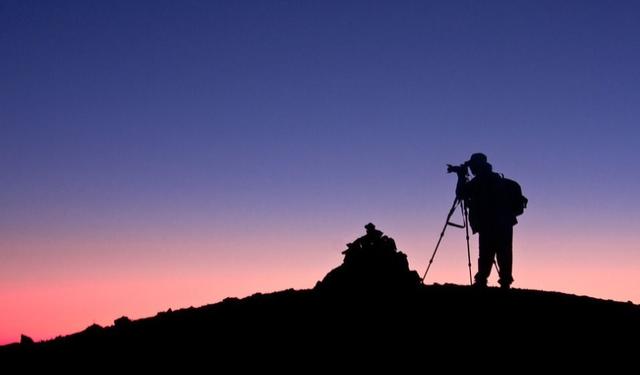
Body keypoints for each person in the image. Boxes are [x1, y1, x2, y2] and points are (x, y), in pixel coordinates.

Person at [455, 153, 517, 289]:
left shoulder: (480, 180)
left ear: (477, 165)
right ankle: (505, 282)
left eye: (472, 166)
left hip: (489, 223)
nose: (471, 169)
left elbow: (461, 193)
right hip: (505, 222)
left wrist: (460, 176)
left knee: (486, 251)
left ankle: (482, 280)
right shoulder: (496, 178)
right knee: (504, 252)